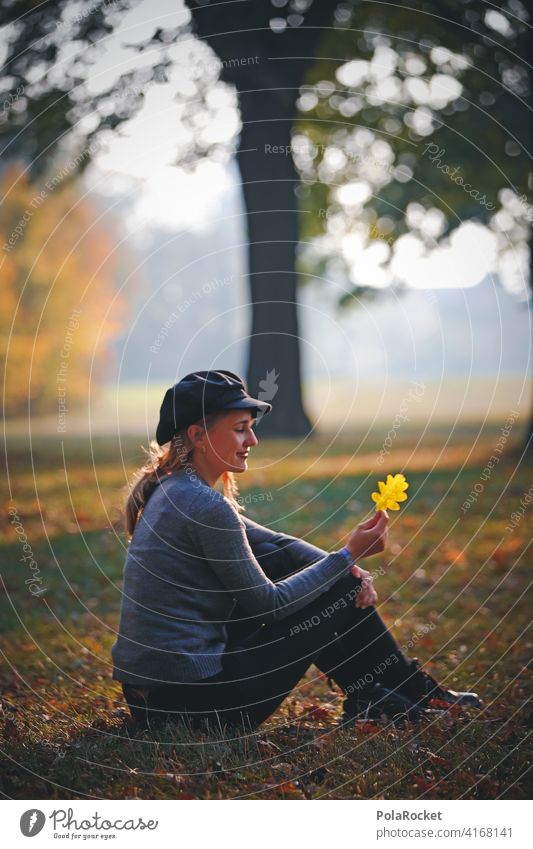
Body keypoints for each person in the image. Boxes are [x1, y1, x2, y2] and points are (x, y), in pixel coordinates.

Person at [111, 369, 482, 732]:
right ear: (198, 436)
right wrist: (346, 559)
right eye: (240, 429)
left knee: (299, 566)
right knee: (335, 586)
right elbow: (268, 605)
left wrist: (348, 566)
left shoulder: (173, 489)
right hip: (193, 710)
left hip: (155, 701)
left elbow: (277, 545)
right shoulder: (203, 506)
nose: (252, 440)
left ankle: (381, 692)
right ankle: (397, 689)